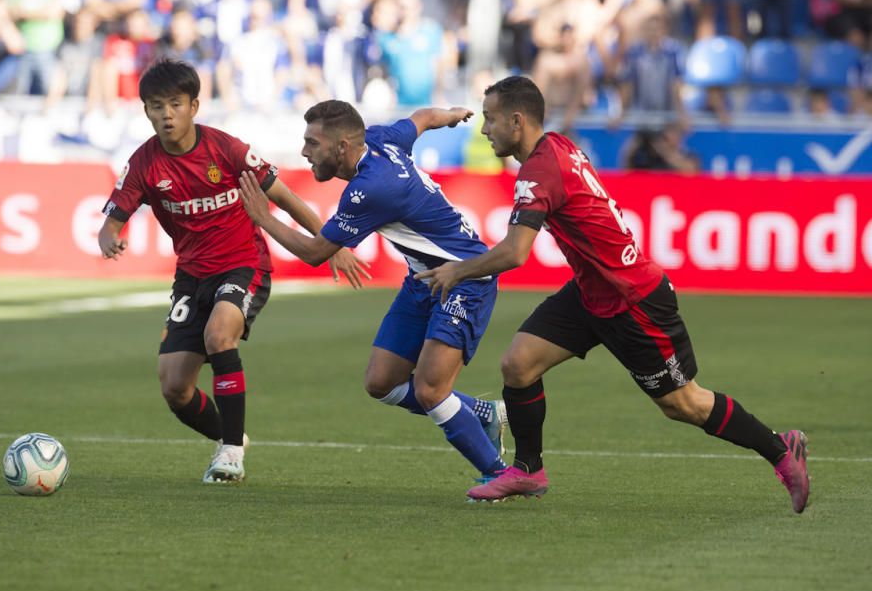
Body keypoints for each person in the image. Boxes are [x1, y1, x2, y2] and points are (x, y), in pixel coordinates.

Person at [415, 76, 810, 512]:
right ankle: (528, 470)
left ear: (516, 120)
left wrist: (457, 271)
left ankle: (779, 448)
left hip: (632, 299)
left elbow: (515, 252)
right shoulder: (558, 147)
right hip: (592, 290)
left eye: (490, 119)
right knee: (519, 364)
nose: (485, 129)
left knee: (683, 404)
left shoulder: (540, 170)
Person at [98, 59, 369, 484]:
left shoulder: (227, 150)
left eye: (174, 104)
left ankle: (228, 456)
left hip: (244, 264)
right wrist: (109, 239)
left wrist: (331, 243)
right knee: (175, 387)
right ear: (146, 111)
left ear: (194, 106)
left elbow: (287, 199)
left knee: (219, 334)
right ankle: (233, 437)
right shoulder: (144, 164)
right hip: (191, 275)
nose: (166, 115)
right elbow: (111, 222)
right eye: (156, 106)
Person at [237, 99, 508, 488]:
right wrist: (449, 116)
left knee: (431, 390)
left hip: (466, 279)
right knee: (381, 382)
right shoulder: (380, 139)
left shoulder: (372, 188)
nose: (304, 152)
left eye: (313, 143)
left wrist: (263, 217)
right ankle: (480, 413)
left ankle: (499, 474)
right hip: (424, 279)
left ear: (342, 148)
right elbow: (422, 118)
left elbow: (315, 253)